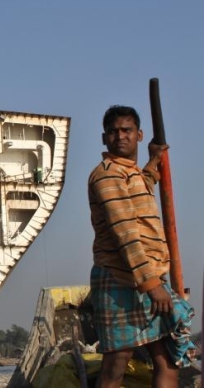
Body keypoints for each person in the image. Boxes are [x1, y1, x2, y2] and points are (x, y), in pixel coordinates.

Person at [88, 105, 194, 387]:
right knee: (116, 363)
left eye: (126, 130)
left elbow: (141, 185)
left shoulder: (130, 173)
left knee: (168, 362)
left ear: (139, 134)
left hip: (148, 275)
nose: (120, 136)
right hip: (121, 277)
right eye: (113, 132)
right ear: (104, 138)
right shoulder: (107, 175)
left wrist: (154, 161)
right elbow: (125, 233)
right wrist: (152, 285)